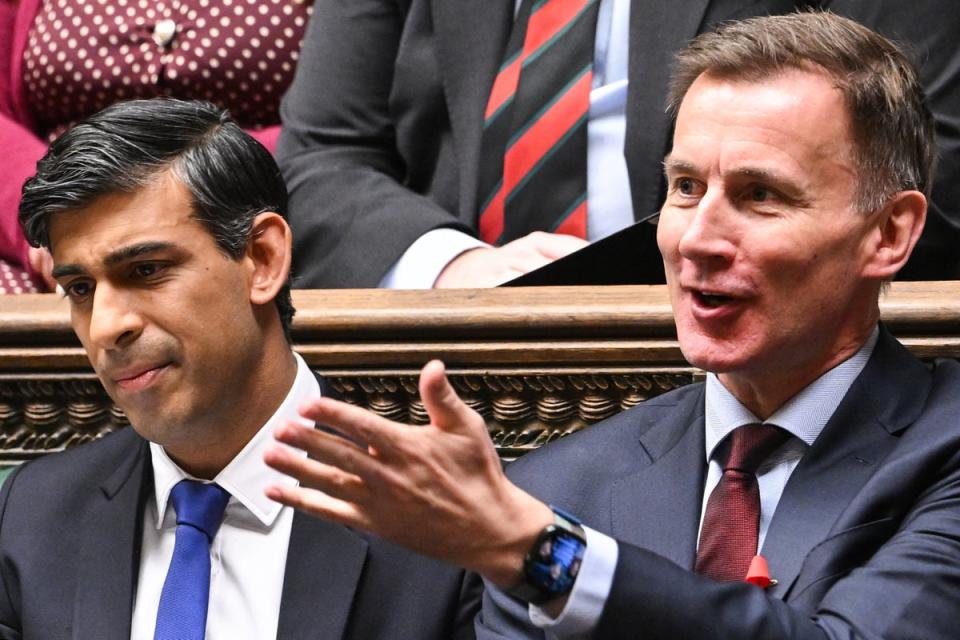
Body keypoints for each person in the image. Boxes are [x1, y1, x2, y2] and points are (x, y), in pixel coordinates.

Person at [265, 12, 960, 638]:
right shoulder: (556, 487)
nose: (696, 240)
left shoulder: (945, 447)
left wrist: (545, 556)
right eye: (685, 188)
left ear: (889, 233)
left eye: (759, 195)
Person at [0, 99, 477, 639]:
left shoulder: (436, 520)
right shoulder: (33, 517)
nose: (107, 326)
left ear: (264, 259)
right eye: (80, 289)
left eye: (146, 270)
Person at [278, 0, 960, 289]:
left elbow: (908, 169)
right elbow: (316, 165)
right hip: (440, 350)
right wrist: (456, 271)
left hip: (728, 360)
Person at [0, 0, 313, 288]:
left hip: (258, 216)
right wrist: (42, 214)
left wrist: (179, 186)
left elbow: (338, 123)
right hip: (52, 225)